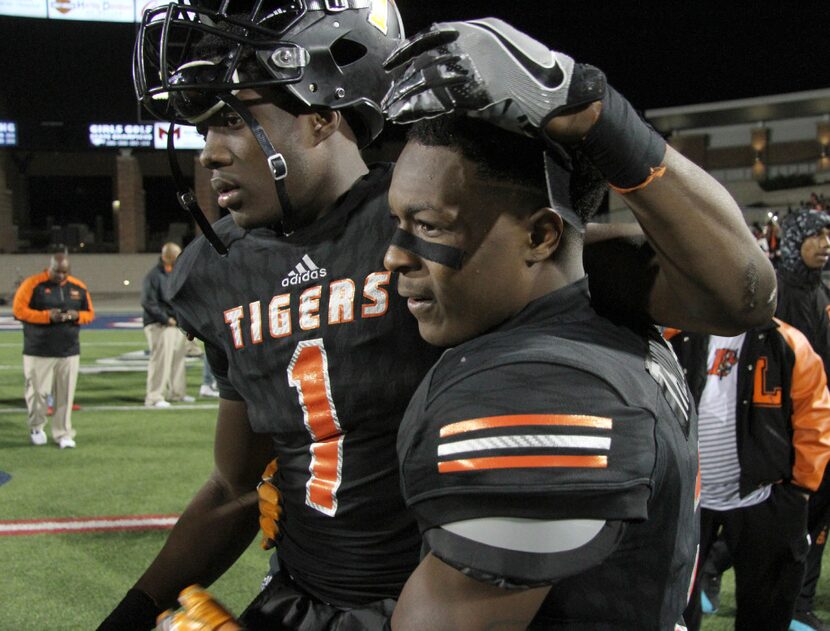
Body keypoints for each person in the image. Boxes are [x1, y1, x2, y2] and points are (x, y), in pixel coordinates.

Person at [99, 5, 776, 629]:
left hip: (443, 588)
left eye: (230, 118)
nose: (210, 151)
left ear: (320, 116)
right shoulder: (217, 273)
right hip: (306, 592)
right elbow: (233, 483)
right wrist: (133, 611)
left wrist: (595, 111)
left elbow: (731, 294)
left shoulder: (469, 233)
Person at [666, 322, 830, 631]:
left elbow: (815, 417)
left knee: (765, 607)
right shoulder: (678, 336)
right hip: (689, 493)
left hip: (765, 492)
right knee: (672, 605)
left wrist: (800, 488)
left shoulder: (788, 342)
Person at [772, 209, 830, 631]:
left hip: (823, 419)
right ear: (795, 240)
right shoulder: (778, 292)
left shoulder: (823, 292)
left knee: (820, 513)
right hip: (786, 424)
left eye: (828, 235)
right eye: (816, 235)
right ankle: (716, 565)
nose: (825, 243)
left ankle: (800, 604)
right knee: (788, 516)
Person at [12, 253, 94, 449]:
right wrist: (47, 316)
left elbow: (89, 313)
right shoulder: (33, 284)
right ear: (49, 267)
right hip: (39, 351)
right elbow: (18, 310)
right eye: (57, 271)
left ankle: (63, 433)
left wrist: (76, 315)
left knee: (65, 395)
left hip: (68, 351)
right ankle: (36, 427)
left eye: (64, 272)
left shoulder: (78, 287)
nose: (60, 275)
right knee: (38, 394)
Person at [141, 242, 195, 408]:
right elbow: (148, 303)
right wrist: (166, 319)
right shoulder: (154, 276)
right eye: (176, 255)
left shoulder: (175, 272)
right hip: (160, 325)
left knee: (178, 359)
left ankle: (177, 393)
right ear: (167, 257)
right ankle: (154, 396)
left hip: (176, 324)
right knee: (160, 360)